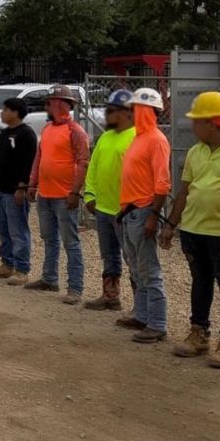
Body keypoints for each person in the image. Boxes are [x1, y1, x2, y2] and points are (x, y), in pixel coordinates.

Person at [161, 91, 220, 368]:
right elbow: (185, 191)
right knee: (200, 282)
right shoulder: (195, 151)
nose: (193, 126)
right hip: (193, 230)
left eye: (197, 121)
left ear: (212, 123)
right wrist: (171, 225)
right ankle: (199, 332)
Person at [25, 85, 90, 305]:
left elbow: (83, 162)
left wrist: (75, 191)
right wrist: (33, 184)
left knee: (71, 242)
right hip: (46, 194)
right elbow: (39, 158)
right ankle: (49, 278)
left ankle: (75, 288)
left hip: (64, 196)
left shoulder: (75, 131)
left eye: (50, 102)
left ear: (61, 104)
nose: (47, 106)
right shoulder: (47, 129)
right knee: (49, 239)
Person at [116, 88, 172, 344]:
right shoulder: (139, 138)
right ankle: (142, 315)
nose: (133, 113)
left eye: (137, 109)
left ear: (150, 112)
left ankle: (157, 323)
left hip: (143, 211)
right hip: (131, 211)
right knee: (137, 268)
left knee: (149, 269)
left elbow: (162, 184)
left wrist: (153, 216)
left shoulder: (156, 140)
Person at [82, 90, 137, 311]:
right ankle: (111, 296)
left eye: (112, 110)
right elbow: (93, 168)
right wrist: (90, 194)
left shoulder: (136, 138)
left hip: (125, 211)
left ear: (127, 113)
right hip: (103, 209)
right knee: (109, 256)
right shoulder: (105, 137)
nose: (107, 114)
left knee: (132, 258)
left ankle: (141, 307)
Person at [0, 97, 37, 285]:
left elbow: (28, 162)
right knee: (2, 228)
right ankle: (7, 263)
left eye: (6, 109)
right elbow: (0, 158)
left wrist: (22, 186)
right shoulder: (5, 133)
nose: (2, 113)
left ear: (16, 112)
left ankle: (22, 269)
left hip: (14, 189)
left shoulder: (27, 134)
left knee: (18, 229)